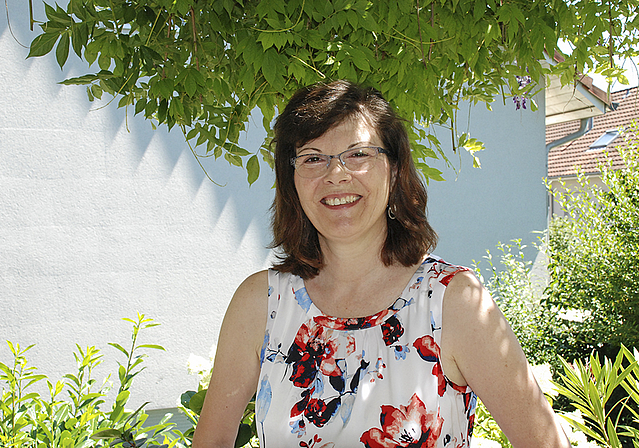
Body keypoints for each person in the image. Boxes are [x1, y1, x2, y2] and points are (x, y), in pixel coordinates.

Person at [192, 80, 570, 448]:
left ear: (394, 169)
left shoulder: (453, 302)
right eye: (312, 158)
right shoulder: (260, 302)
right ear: (291, 180)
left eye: (358, 154)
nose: (335, 174)